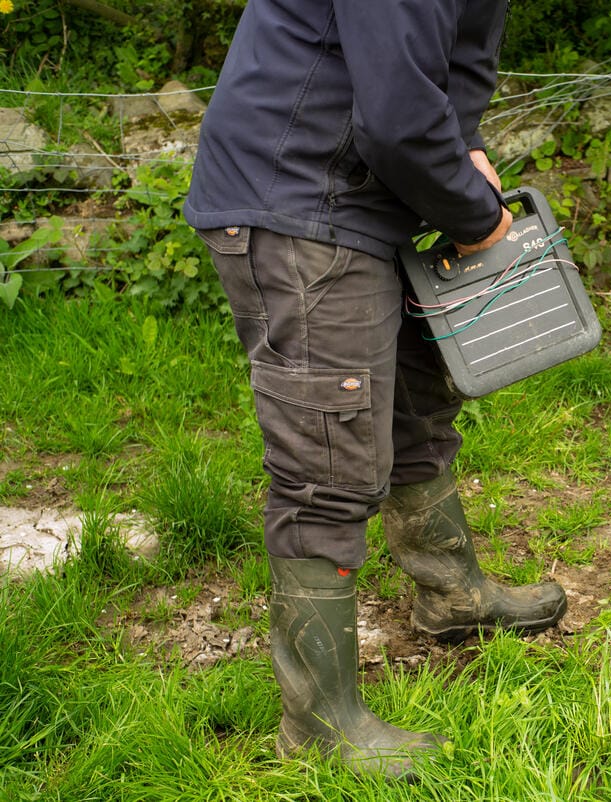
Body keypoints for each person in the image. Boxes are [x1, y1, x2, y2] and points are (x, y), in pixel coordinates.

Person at [183, 0, 567, 780]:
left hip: (361, 193)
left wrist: (467, 156)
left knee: (414, 401)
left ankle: (453, 595)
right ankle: (320, 725)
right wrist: (475, 213)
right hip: (298, 199)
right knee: (329, 458)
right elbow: (394, 117)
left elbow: (442, 75)